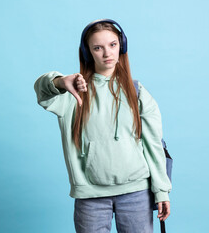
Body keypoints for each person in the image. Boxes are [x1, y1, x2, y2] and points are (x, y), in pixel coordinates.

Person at [33, 19, 172, 233]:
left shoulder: (138, 92)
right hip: (90, 196)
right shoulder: (73, 92)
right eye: (98, 47)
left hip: (136, 193)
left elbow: (153, 144)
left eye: (113, 45)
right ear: (88, 53)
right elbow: (42, 92)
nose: (107, 53)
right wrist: (60, 82)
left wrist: (162, 191)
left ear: (121, 47)